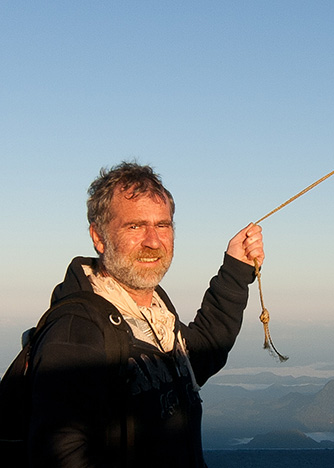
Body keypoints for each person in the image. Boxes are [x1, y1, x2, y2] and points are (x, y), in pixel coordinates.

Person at [27, 162, 264, 467]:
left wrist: (236, 268)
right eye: (135, 226)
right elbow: (60, 456)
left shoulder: (154, 310)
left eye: (162, 225)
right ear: (98, 237)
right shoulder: (77, 332)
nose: (153, 241)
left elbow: (196, 358)